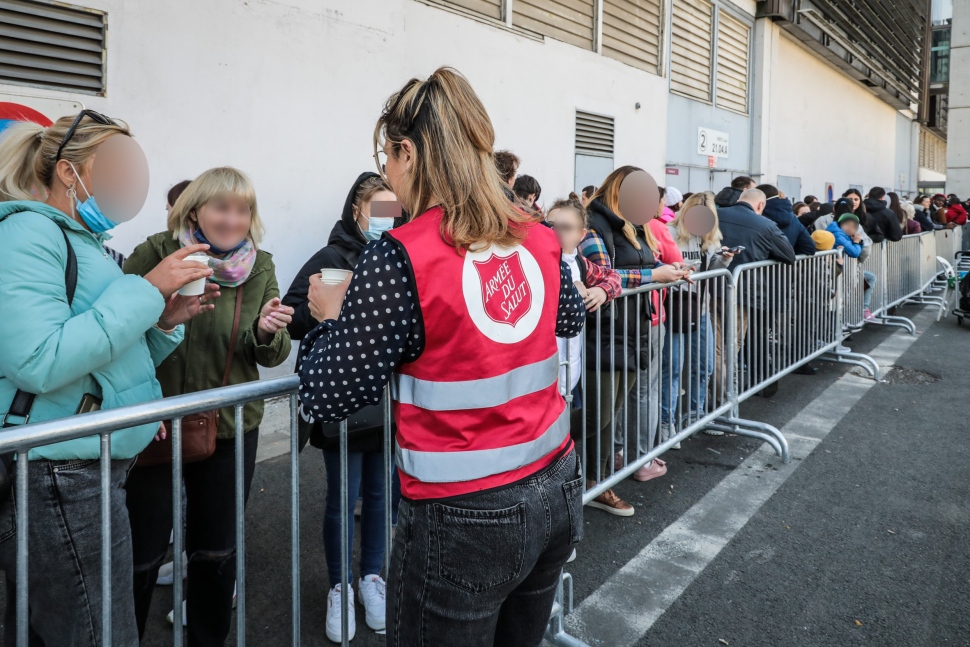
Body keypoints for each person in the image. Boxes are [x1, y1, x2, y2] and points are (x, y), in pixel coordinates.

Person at [298, 67, 586, 647]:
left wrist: (334, 316)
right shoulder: (534, 233)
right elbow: (570, 317)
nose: (386, 172)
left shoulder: (402, 253)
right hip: (556, 481)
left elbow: (325, 394)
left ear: (407, 152)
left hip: (464, 513)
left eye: (387, 155)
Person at [0, 113, 215, 644]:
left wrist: (162, 321)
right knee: (101, 632)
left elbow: (100, 351)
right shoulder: (27, 233)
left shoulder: (85, 242)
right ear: (69, 173)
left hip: (87, 468)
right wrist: (146, 290)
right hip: (60, 476)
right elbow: (38, 358)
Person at [124, 167, 293, 644]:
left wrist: (266, 331)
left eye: (243, 210)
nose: (232, 219)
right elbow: (115, 330)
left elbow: (267, 353)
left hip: (229, 426)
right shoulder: (156, 254)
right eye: (222, 207)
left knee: (215, 552)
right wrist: (159, 318)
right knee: (141, 552)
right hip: (153, 424)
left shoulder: (258, 267)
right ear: (195, 210)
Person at [282, 172, 398, 642]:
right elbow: (294, 313)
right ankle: (339, 586)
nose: (387, 220)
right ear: (356, 210)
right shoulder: (333, 258)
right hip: (342, 401)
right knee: (341, 497)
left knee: (380, 496)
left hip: (385, 400)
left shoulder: (397, 257)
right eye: (378, 210)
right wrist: (332, 306)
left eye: (395, 211)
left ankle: (372, 578)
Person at [583, 168, 688, 497]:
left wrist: (662, 273)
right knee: (602, 412)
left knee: (619, 404)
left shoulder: (634, 226)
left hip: (635, 325)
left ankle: (606, 473)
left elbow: (626, 272)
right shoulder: (596, 224)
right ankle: (597, 479)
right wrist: (655, 275)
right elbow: (602, 275)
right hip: (609, 328)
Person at [547, 198, 627, 492]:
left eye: (565, 228)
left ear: (581, 235)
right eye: (551, 225)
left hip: (571, 366)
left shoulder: (579, 262)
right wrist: (567, 289)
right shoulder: (536, 260)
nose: (556, 233)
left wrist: (602, 291)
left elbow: (614, 277)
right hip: (543, 367)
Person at [666, 191, 736, 434]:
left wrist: (724, 259)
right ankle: (668, 424)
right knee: (673, 369)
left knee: (703, 366)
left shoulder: (710, 238)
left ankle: (696, 417)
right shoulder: (669, 233)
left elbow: (713, 272)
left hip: (700, 309)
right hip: (673, 309)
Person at [715, 189, 796, 391]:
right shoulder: (766, 224)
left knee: (713, 348)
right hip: (743, 293)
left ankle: (708, 398)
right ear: (761, 205)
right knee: (731, 347)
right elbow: (789, 256)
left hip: (710, 286)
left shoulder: (716, 215)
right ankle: (723, 399)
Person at [832, 197, 876, 319]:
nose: (850, 228)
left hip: (840, 268)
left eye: (853, 226)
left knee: (869, 278)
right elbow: (855, 252)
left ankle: (843, 323)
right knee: (841, 297)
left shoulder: (836, 228)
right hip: (841, 269)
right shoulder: (838, 234)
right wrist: (857, 242)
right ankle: (839, 326)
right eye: (847, 225)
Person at [756, 185, 816, 255]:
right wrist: (787, 255)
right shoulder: (794, 219)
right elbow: (809, 248)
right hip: (786, 264)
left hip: (758, 265)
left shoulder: (756, 216)